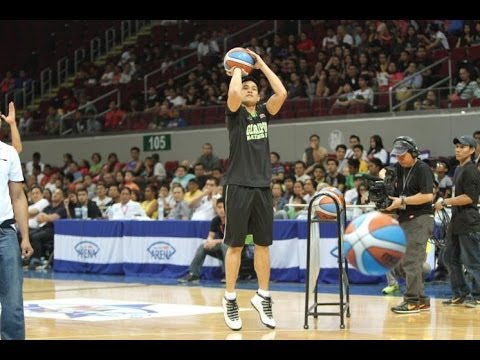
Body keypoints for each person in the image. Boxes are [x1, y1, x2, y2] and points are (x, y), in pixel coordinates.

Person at [222, 48, 287, 330]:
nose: (249, 90)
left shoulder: (263, 113)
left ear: (259, 96)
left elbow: (282, 93)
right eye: (246, 87)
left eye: (253, 88)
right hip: (237, 186)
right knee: (235, 245)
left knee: (263, 245)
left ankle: (263, 296)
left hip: (262, 187)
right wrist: (237, 68)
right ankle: (230, 298)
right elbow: (234, 95)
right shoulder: (235, 114)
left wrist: (260, 64)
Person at [385, 136, 434, 314]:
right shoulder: (398, 168)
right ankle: (421, 299)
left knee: (412, 261)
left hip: (421, 218)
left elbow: (428, 196)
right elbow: (395, 193)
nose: (399, 158)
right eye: (396, 155)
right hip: (404, 218)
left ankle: (412, 301)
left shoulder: (423, 169)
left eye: (403, 155)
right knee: (400, 263)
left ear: (414, 153)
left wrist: (402, 200)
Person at [0, 104, 34, 339]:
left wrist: (25, 236)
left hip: (5, 232)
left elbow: (19, 197)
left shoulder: (9, 153)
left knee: (13, 298)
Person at [434, 135, 480, 307]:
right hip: (457, 221)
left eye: (463, 147)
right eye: (457, 147)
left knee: (473, 262)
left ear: (473, 150)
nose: (458, 149)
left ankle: (478, 295)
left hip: (469, 221)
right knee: (449, 257)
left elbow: (470, 197)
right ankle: (460, 292)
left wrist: (445, 202)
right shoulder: (459, 169)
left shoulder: (471, 170)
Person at [178, 197, 227, 283]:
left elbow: (232, 239)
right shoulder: (216, 220)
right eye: (219, 207)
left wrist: (215, 241)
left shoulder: (233, 220)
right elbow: (210, 236)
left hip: (237, 248)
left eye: (224, 207)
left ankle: (229, 275)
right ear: (216, 209)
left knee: (225, 245)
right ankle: (194, 274)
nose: (222, 210)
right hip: (223, 246)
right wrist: (209, 241)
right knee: (203, 246)